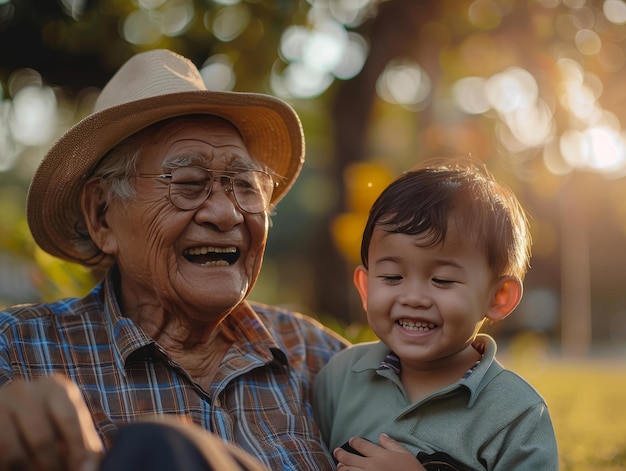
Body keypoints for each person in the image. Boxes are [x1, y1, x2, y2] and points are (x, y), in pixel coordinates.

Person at [0, 48, 349, 471]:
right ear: (101, 216)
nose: (225, 213)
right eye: (188, 182)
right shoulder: (17, 354)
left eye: (244, 185)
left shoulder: (325, 363)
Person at [313, 159, 559, 470]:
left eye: (441, 280)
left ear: (498, 297)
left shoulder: (515, 413)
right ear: (365, 288)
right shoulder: (340, 379)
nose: (413, 298)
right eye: (392, 277)